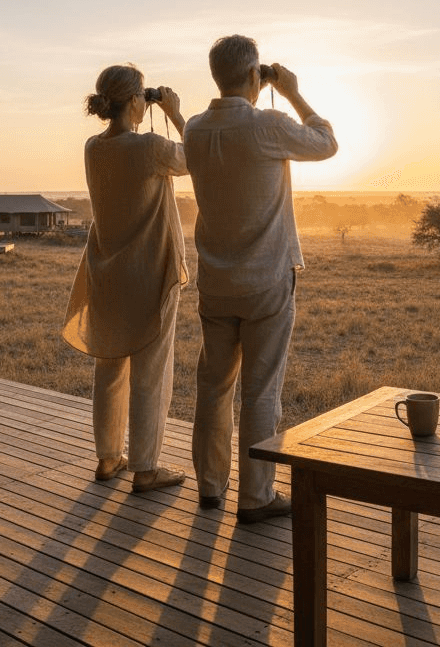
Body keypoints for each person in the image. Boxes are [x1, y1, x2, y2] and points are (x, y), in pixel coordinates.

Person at [185, 35, 337, 523]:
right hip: (267, 280)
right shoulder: (267, 125)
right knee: (260, 391)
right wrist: (292, 92)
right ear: (256, 76)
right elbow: (327, 143)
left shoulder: (192, 128)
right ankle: (255, 497)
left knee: (213, 386)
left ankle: (210, 488)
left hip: (215, 283)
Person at [62, 63, 189, 494]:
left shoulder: (92, 147)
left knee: (110, 364)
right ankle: (147, 468)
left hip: (106, 270)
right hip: (150, 270)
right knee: (151, 370)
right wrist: (174, 113)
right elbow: (198, 159)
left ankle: (108, 457)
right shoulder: (152, 147)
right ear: (137, 101)